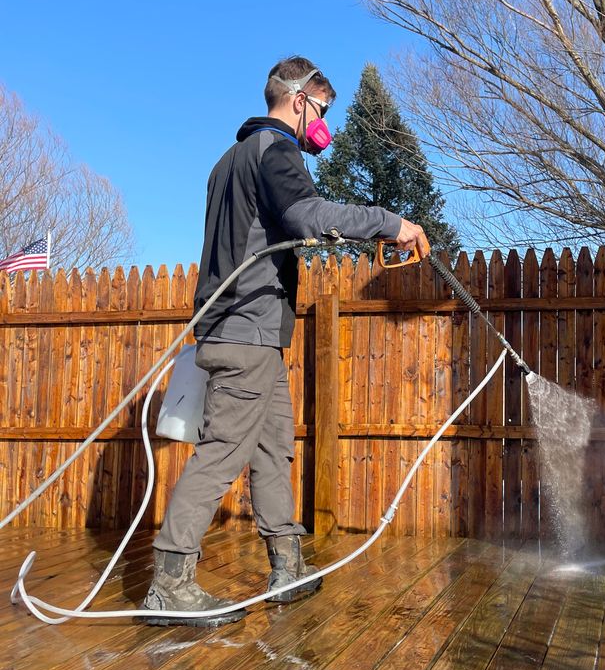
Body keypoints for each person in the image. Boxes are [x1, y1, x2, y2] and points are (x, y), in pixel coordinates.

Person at [140, 56, 430, 626]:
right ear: (298, 99)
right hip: (245, 330)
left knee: (274, 448)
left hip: (246, 331)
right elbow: (306, 215)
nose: (324, 122)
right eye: (322, 109)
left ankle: (287, 567)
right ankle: (169, 583)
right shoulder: (275, 151)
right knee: (223, 452)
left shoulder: (226, 162)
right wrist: (393, 224)